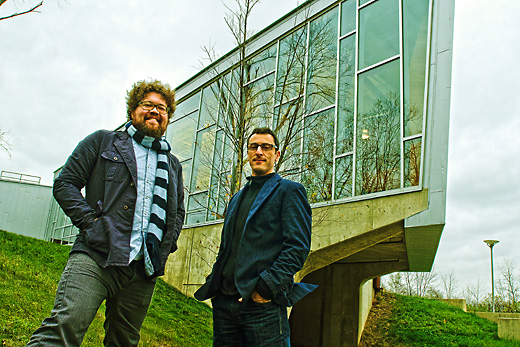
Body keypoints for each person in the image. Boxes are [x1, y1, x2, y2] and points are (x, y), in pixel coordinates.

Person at [27, 79, 185, 346]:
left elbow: (177, 211)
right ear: (133, 110)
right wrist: (92, 225)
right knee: (64, 328)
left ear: (168, 117)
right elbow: (65, 183)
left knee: (124, 341)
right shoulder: (103, 141)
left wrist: (165, 246)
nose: (155, 111)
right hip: (97, 255)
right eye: (148, 105)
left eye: (162, 108)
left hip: (143, 268)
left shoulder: (172, 164)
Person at [194, 127, 316, 346]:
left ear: (276, 154)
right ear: (248, 153)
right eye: (254, 147)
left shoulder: (289, 191)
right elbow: (227, 248)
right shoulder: (236, 198)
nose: (259, 151)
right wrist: (215, 284)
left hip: (263, 308)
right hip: (225, 307)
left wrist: (264, 288)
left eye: (266, 147)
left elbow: (297, 248)